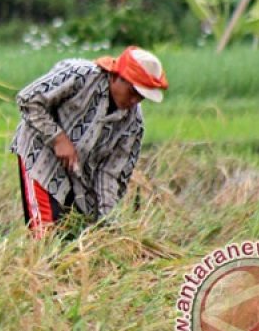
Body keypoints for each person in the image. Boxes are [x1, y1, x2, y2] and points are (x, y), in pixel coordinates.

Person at [10, 46, 168, 238]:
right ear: (117, 77)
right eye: (132, 92)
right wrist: (58, 139)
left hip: (77, 172)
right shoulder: (80, 75)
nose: (134, 100)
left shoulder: (133, 124)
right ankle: (37, 265)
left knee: (71, 236)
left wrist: (106, 221)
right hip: (41, 155)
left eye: (141, 97)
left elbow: (111, 173)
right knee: (45, 233)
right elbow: (28, 99)